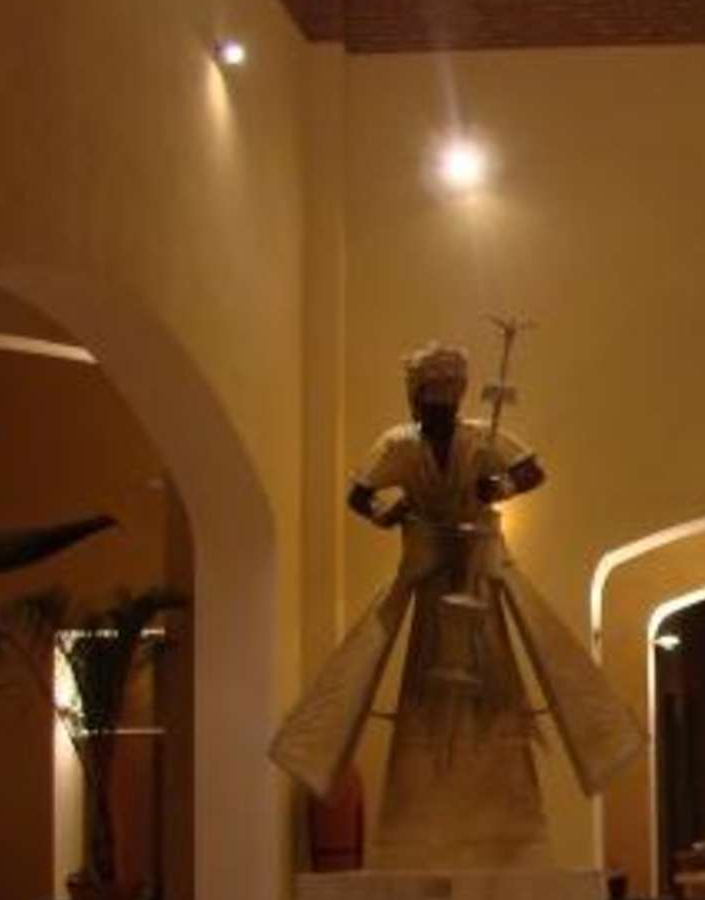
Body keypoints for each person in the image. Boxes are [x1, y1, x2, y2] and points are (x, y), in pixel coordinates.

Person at [271, 342, 642, 868]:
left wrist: (500, 485)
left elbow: (532, 469)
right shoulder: (399, 445)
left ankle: (504, 819)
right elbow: (359, 494)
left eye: (448, 398)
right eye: (431, 399)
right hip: (430, 583)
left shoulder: (481, 439)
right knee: (425, 689)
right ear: (416, 401)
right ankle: (423, 816)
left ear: (460, 398)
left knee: (494, 683)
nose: (440, 408)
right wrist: (387, 511)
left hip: (477, 581)